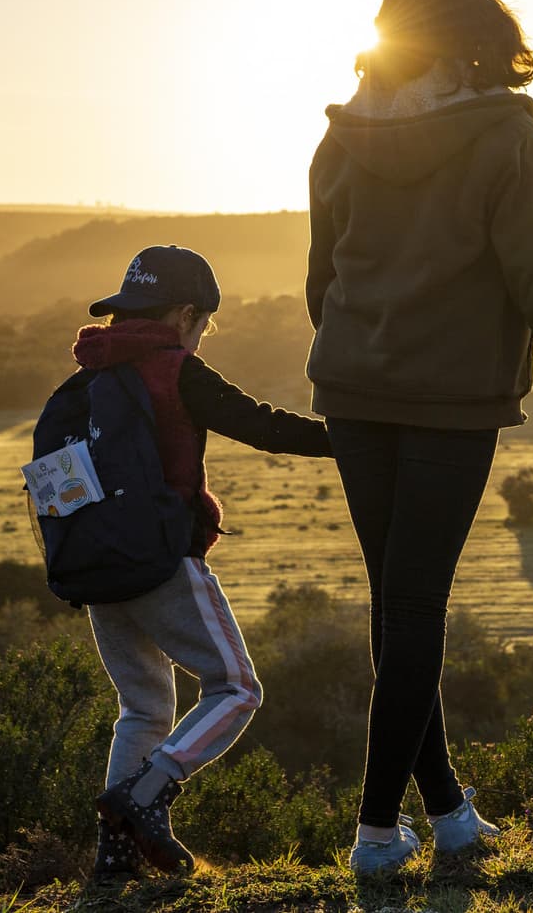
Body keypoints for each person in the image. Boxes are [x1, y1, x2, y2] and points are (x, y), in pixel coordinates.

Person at [307, 0, 533, 875]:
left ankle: (451, 814)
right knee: (416, 606)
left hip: (353, 392)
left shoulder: (338, 142)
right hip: (451, 404)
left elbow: (321, 288)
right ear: (479, 35)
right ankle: (377, 833)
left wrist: (369, 355)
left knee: (401, 606)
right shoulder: (506, 137)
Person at [61, 246, 333, 880]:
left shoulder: (88, 375)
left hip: (98, 571)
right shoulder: (173, 369)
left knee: (144, 708)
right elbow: (262, 425)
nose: (201, 333)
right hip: (162, 564)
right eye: (204, 321)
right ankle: (149, 792)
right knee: (237, 688)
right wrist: (352, 440)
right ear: (186, 313)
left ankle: (116, 859)